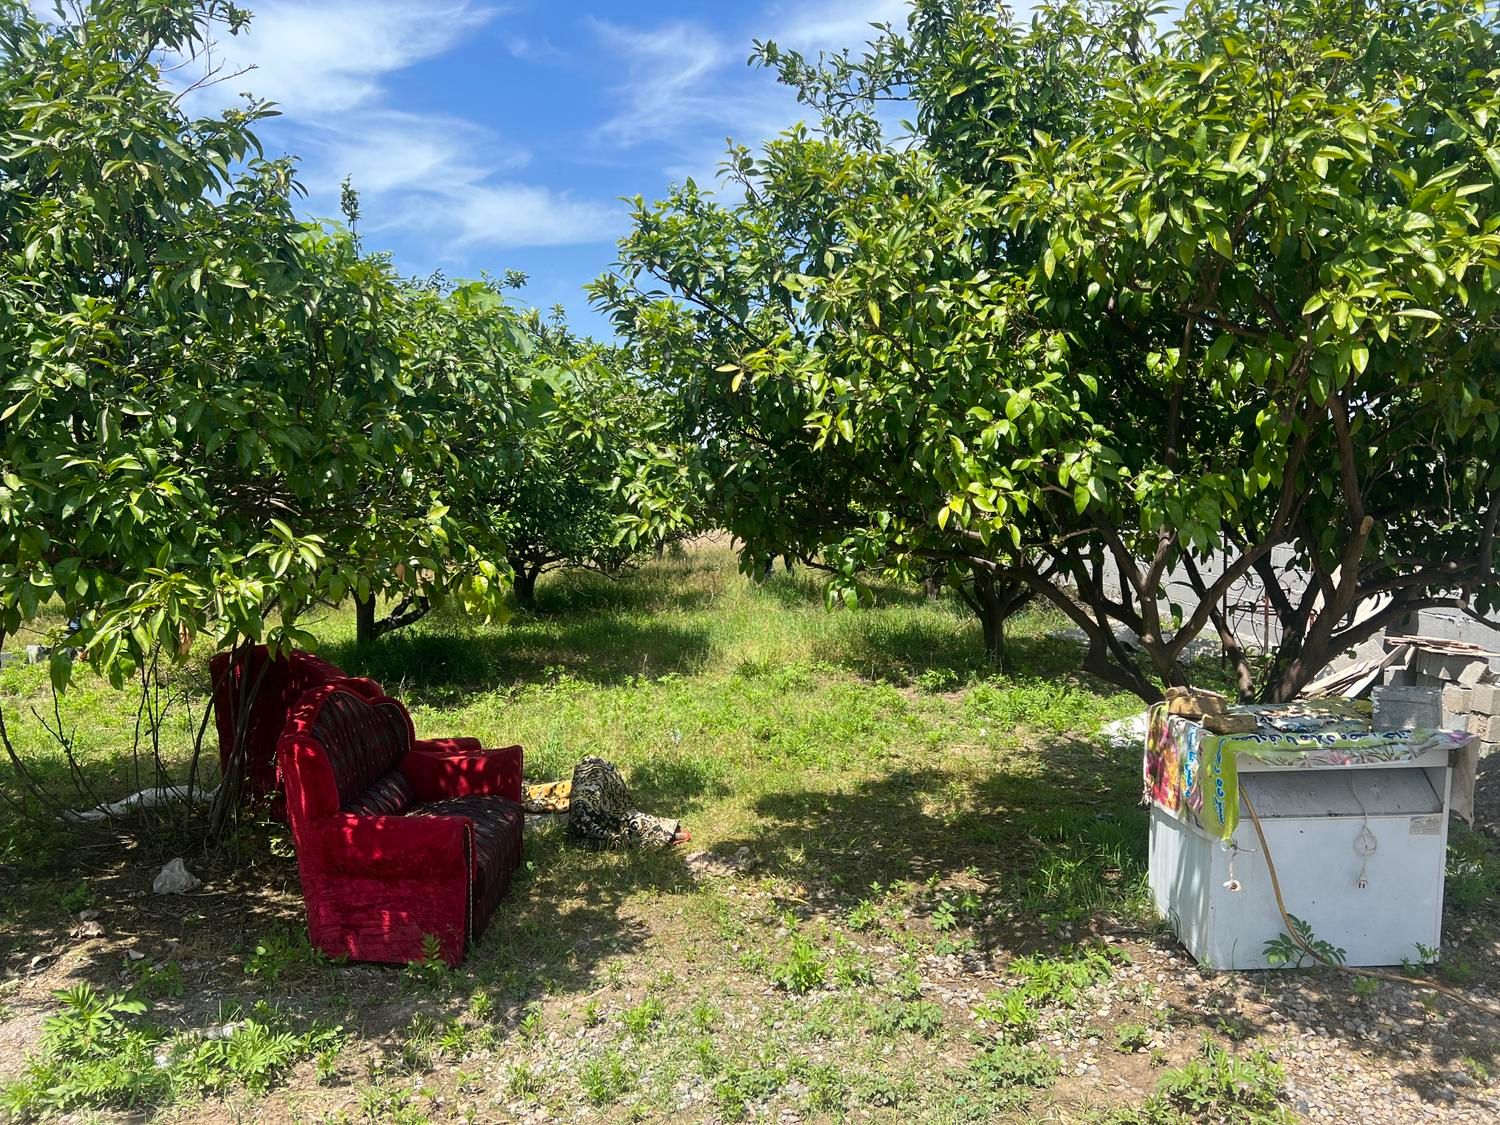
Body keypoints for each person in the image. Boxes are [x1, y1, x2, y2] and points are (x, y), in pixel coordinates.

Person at [559, 756, 691, 848]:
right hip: (584, 813)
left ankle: (651, 830)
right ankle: (650, 832)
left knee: (593, 764)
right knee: (588, 807)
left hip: (588, 793)